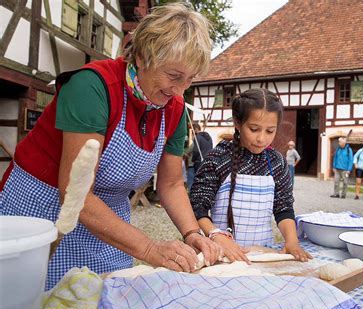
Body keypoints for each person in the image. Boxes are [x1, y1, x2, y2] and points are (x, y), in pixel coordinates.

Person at [0, 3, 221, 290]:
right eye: (173, 76)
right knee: (32, 297)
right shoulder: (92, 88)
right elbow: (75, 191)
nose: (179, 90)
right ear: (142, 57)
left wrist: (192, 232)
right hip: (43, 208)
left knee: (103, 297)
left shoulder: (175, 108)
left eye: (190, 79)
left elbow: (172, 185)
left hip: (108, 218)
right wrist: (149, 248)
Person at [190, 89, 312, 263]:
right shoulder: (218, 158)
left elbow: (283, 208)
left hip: (263, 254)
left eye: (270, 131)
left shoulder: (277, 162)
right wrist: (216, 235)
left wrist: (292, 241)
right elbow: (197, 207)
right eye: (254, 129)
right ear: (238, 123)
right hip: (221, 253)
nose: (261, 138)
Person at [187, 123, 213, 190]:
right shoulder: (209, 138)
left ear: (195, 129)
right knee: (203, 181)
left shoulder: (197, 137)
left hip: (198, 162)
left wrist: (193, 160)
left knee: (195, 181)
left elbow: (196, 151)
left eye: (192, 130)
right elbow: (211, 148)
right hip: (207, 161)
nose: (192, 132)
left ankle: (193, 197)